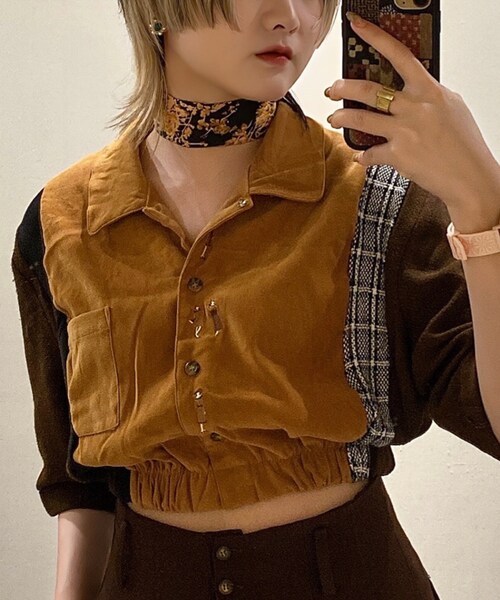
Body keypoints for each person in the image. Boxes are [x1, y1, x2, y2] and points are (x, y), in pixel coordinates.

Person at [11, 1, 500, 599]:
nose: (289, 14)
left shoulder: (381, 201)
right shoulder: (61, 225)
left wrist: (482, 202)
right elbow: (79, 486)